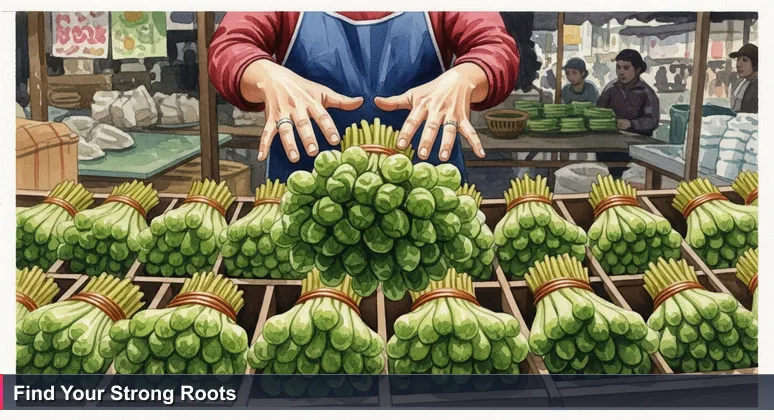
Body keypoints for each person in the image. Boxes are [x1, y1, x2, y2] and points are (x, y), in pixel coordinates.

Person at [208, 12, 519, 182]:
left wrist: (466, 76)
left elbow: (496, 47)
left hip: (427, 193)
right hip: (306, 192)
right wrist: (264, 75)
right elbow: (229, 48)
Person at [596, 49, 660, 178]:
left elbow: (652, 121)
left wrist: (631, 124)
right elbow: (598, 111)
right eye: (618, 67)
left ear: (637, 70)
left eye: (626, 68)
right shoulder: (611, 88)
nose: (621, 72)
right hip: (611, 143)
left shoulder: (646, 92)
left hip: (636, 145)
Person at [729, 44, 758, 113]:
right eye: (738, 59)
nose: (738, 64)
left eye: (744, 60)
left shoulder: (757, 86)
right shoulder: (743, 82)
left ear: (755, 63)